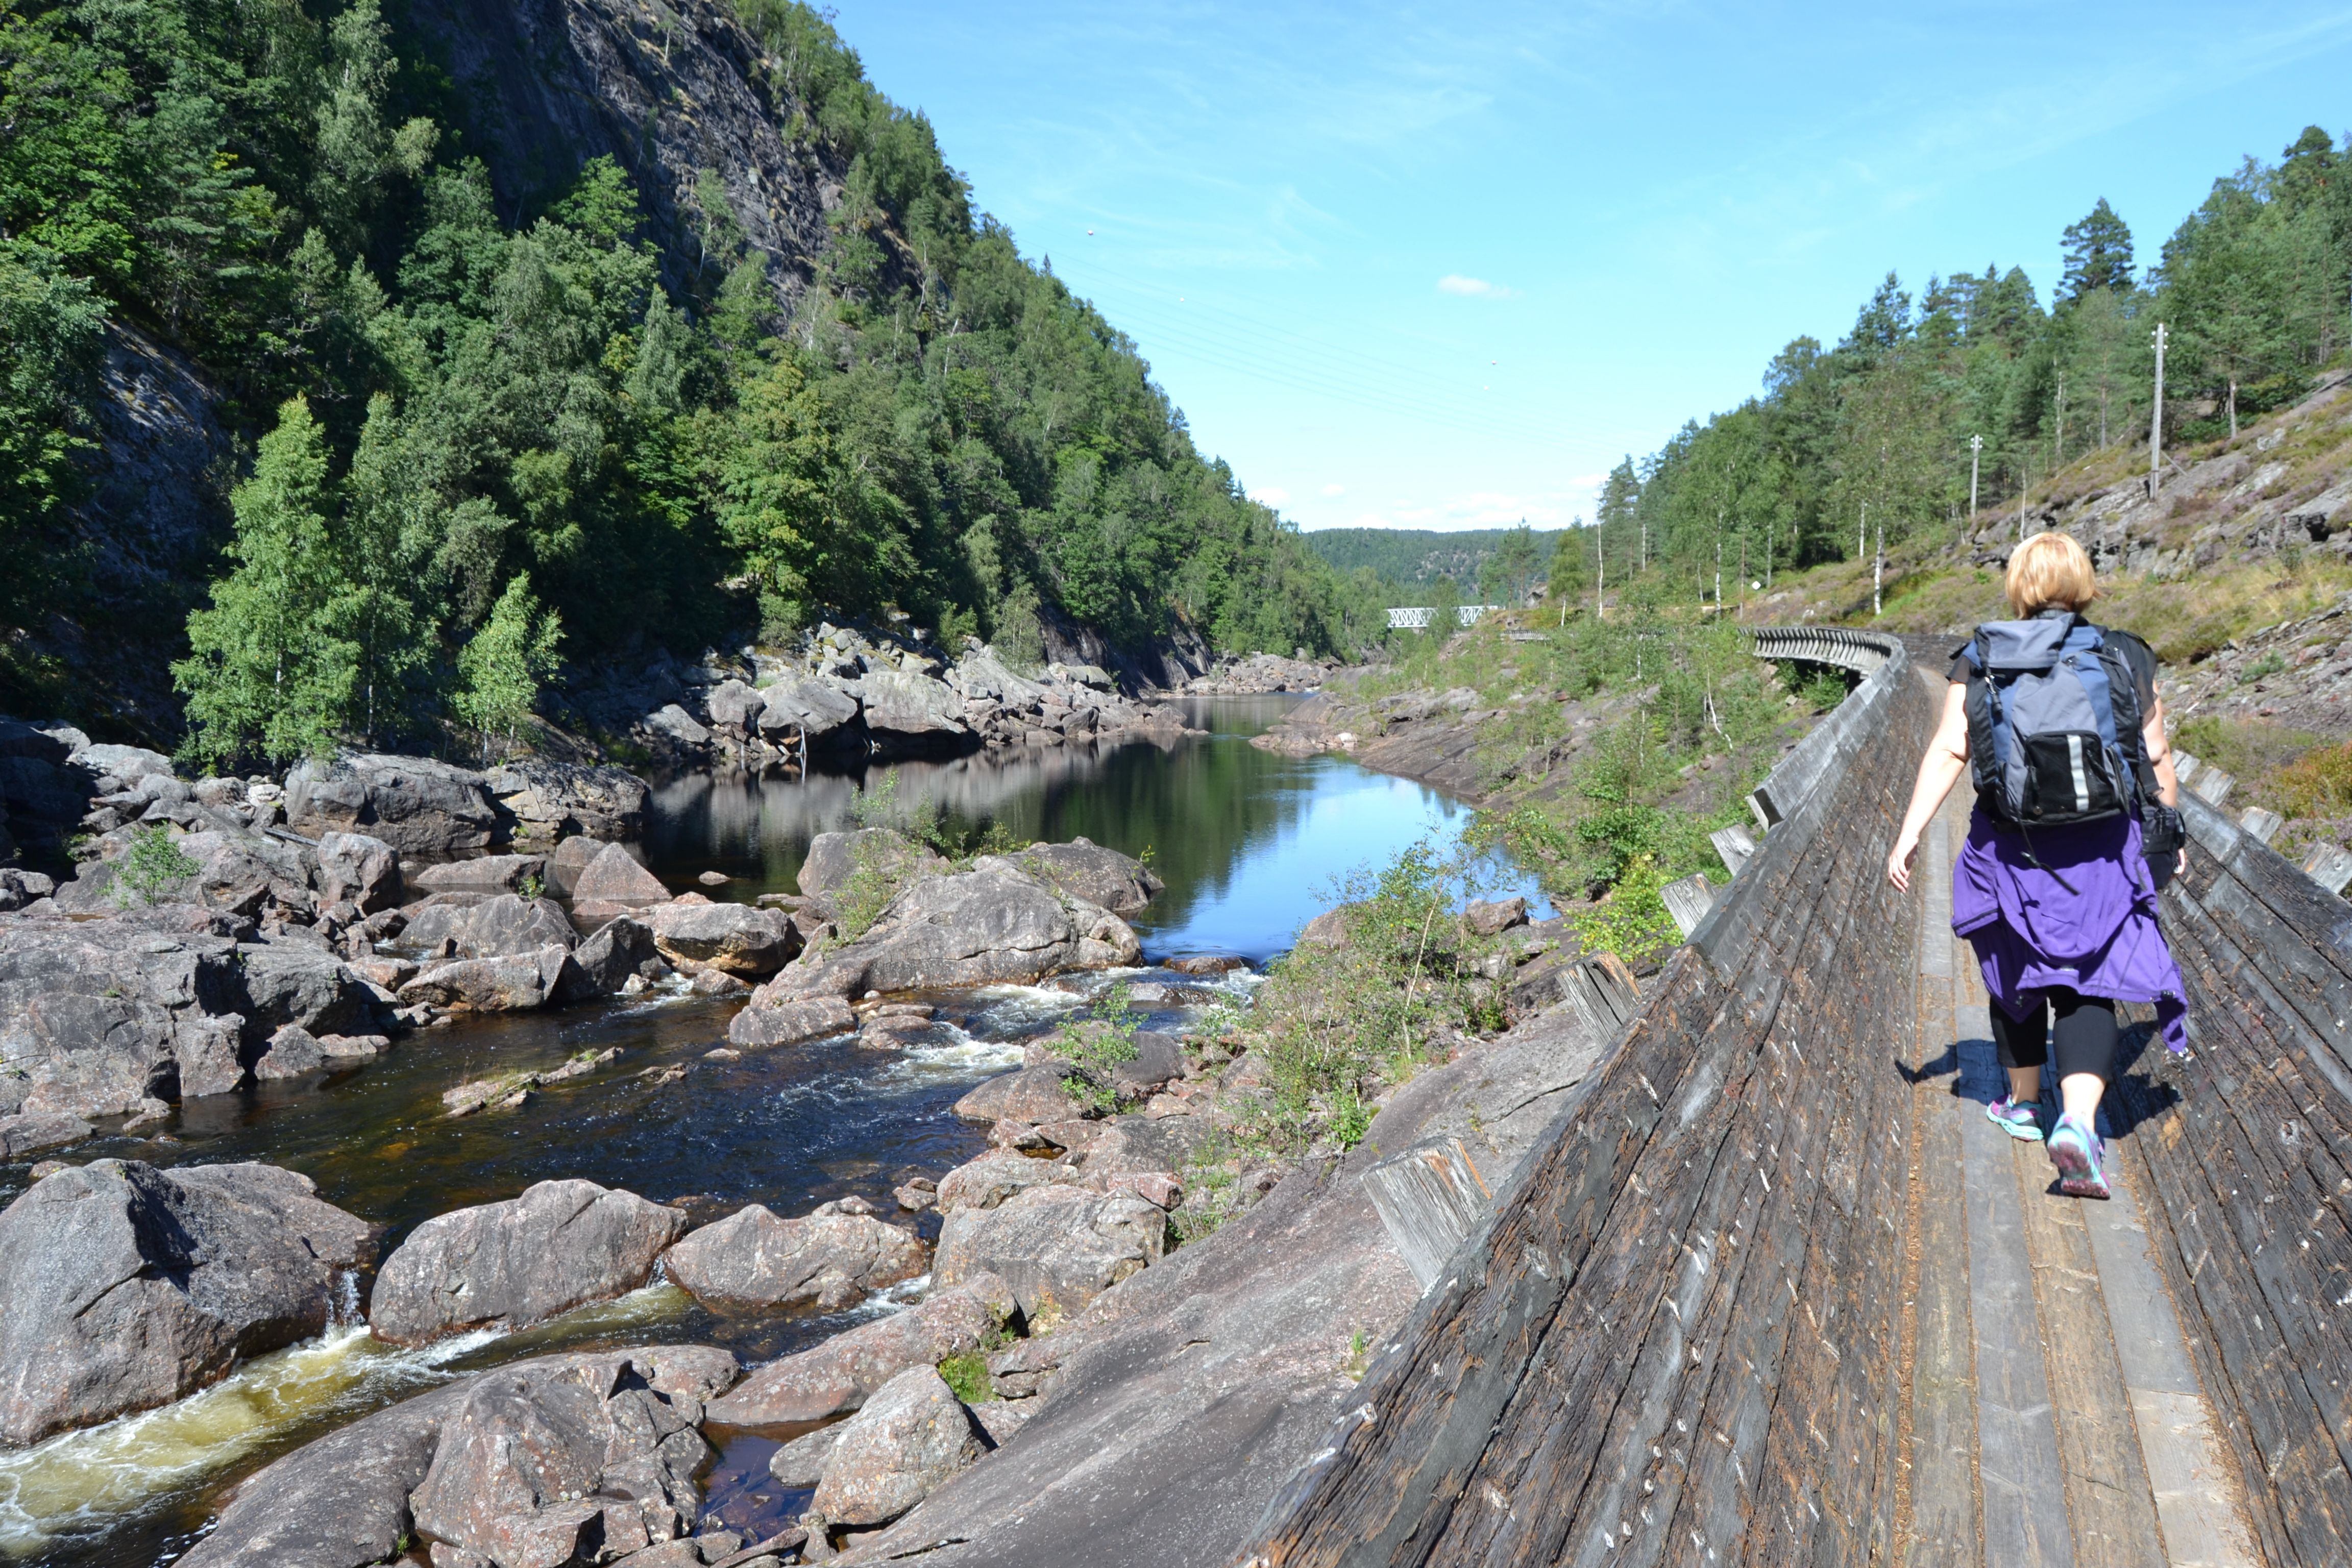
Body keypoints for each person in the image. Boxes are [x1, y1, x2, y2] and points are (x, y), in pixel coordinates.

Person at [1886, 531, 2189, 1199]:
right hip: (2103, 852)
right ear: (2083, 583)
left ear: (2018, 586)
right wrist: (2168, 833)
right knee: (2088, 983)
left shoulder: (1980, 657)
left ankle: (2022, 1105)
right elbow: (2157, 756)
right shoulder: (2125, 655)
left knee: (2015, 970)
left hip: (2009, 846)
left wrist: (1909, 835)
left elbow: (1948, 751)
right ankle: (2078, 1124)